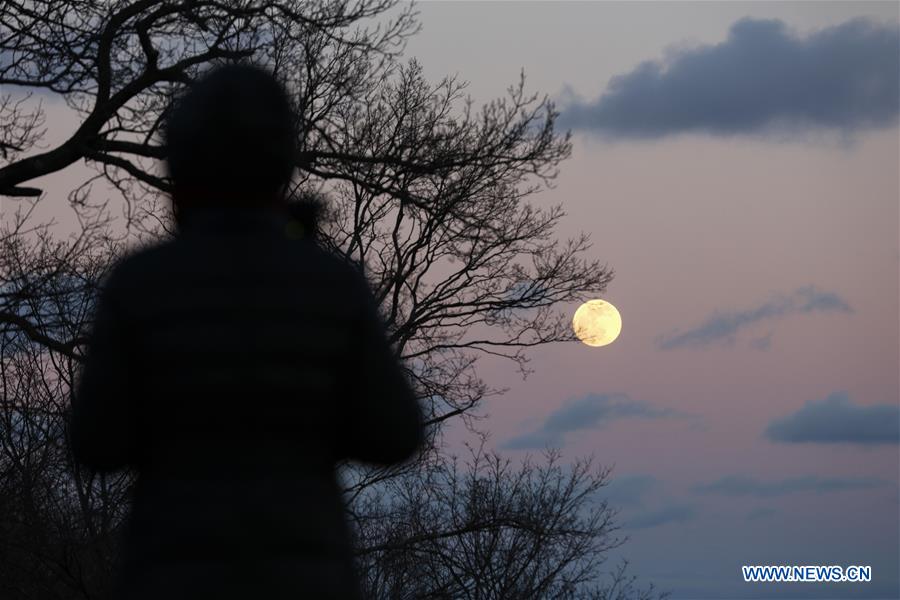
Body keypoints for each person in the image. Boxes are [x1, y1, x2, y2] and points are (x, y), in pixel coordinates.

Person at [68, 63, 424, 600]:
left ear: (181, 168)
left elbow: (96, 442)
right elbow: (395, 434)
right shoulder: (330, 285)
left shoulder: (141, 285)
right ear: (281, 165)